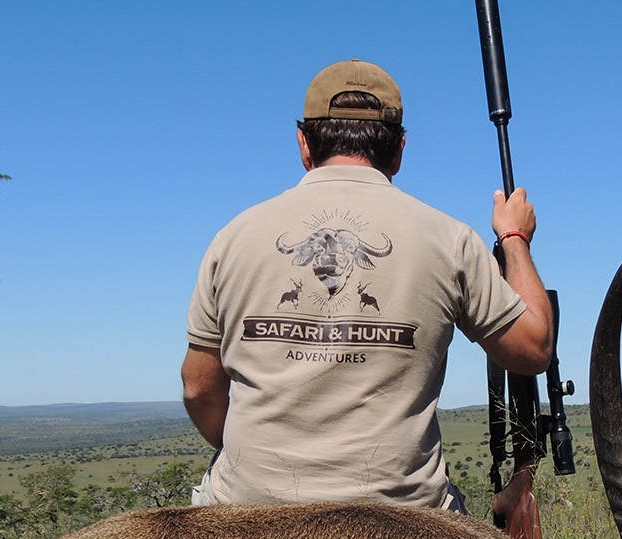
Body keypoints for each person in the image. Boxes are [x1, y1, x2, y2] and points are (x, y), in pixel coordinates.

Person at [181, 58, 552, 511]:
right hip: (404, 523)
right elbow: (534, 350)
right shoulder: (449, 239)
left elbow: (199, 389)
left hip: (250, 513)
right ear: (399, 149)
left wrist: (246, 455)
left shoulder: (233, 237)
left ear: (303, 144)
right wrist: (514, 239)